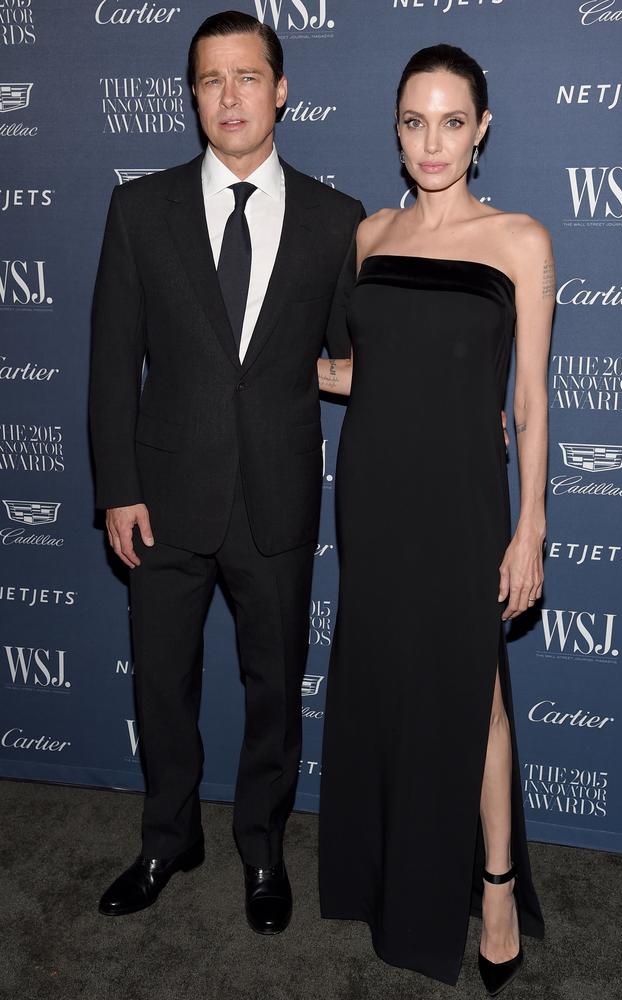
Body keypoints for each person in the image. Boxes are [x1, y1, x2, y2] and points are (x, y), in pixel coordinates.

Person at [89, 10, 363, 934]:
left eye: (248, 77)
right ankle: (168, 838)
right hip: (162, 498)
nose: (230, 96)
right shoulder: (141, 208)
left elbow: (348, 361)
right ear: (193, 95)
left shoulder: (337, 219)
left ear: (281, 90)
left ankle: (260, 848)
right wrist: (118, 488)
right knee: (159, 682)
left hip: (278, 498)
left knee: (272, 692)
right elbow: (109, 360)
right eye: (211, 79)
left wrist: (441, 395)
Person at [317, 44, 551, 993]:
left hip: (462, 502)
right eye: (415, 122)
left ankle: (494, 889)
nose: (433, 142)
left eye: (453, 121)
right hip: (373, 496)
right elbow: (356, 371)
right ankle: (391, 876)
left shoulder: (519, 240)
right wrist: (241, 366)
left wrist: (530, 522)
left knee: (478, 695)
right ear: (397, 128)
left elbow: (528, 400)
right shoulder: (369, 237)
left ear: (483, 127)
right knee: (386, 686)